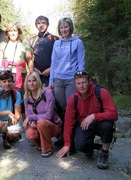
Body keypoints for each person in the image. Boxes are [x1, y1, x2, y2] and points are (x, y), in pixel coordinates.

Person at [56, 71, 118, 170]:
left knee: (108, 125)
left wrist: (94, 116)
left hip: (100, 123)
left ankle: (104, 153)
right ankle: (92, 147)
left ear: (89, 82)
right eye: (78, 83)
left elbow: (114, 114)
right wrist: (67, 144)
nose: (82, 86)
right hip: (85, 124)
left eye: (84, 82)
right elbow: (68, 122)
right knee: (80, 145)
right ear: (75, 84)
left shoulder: (101, 92)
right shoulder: (73, 98)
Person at [49, 17, 85, 146]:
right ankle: (63, 136)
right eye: (61, 27)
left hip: (72, 79)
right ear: (59, 29)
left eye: (66, 26)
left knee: (71, 108)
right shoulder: (56, 43)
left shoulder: (78, 42)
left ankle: (73, 137)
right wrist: (51, 80)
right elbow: (53, 62)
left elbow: (81, 62)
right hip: (58, 79)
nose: (64, 29)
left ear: (70, 27)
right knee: (60, 108)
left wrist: (80, 80)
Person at [23, 72, 62, 157]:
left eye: (34, 80)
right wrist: (31, 123)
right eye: (29, 81)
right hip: (38, 124)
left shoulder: (47, 93)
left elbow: (48, 115)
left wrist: (32, 118)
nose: (31, 83)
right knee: (30, 133)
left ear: (39, 81)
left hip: (52, 125)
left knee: (41, 123)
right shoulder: (27, 97)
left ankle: (47, 148)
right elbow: (27, 115)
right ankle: (42, 144)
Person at [0, 22, 34, 96]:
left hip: (20, 75)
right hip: (5, 74)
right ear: (7, 33)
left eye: (15, 30)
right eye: (10, 31)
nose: (13, 33)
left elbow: (30, 61)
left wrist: (31, 76)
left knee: (19, 96)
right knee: (6, 96)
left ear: (18, 32)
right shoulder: (2, 44)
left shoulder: (24, 44)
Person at [29, 16, 59, 86]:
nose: (41, 25)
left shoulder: (55, 39)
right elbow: (28, 58)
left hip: (52, 74)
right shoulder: (32, 40)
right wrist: (33, 68)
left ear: (47, 24)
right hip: (37, 75)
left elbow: (60, 57)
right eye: (38, 23)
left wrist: (51, 69)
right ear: (36, 25)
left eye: (43, 23)